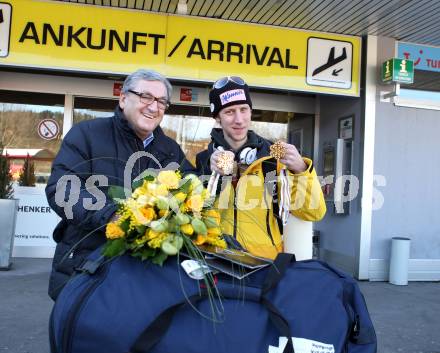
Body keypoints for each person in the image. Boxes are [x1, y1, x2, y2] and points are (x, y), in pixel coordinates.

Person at [46, 69, 187, 300]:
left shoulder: (170, 149)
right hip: (88, 268)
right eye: (145, 97)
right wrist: (112, 216)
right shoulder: (87, 134)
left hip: (147, 275)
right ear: (123, 99)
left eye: (162, 101)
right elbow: (62, 189)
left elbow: (193, 192)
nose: (154, 107)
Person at [192, 76, 326, 259]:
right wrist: (209, 174)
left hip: (265, 262)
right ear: (217, 118)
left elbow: (313, 212)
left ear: (250, 111)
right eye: (230, 112)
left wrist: (301, 170)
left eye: (243, 109)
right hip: (217, 260)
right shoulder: (203, 160)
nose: (239, 119)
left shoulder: (274, 155)